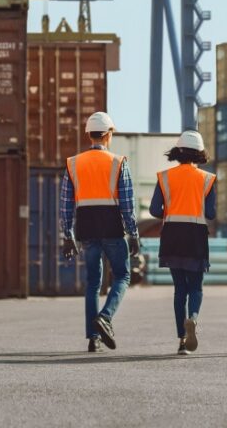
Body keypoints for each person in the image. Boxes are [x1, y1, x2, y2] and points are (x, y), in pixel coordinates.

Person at [60, 112, 140, 353]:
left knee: (93, 283)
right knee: (122, 276)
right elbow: (127, 202)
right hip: (112, 227)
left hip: (86, 228)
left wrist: (68, 235)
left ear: (88, 134)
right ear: (108, 134)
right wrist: (134, 232)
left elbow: (65, 203)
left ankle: (93, 339)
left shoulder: (73, 163)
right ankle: (105, 317)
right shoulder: (118, 161)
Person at [149, 131, 216, 355]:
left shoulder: (164, 177)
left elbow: (154, 210)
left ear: (178, 152)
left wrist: (172, 210)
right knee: (196, 286)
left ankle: (181, 341)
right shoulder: (207, 179)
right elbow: (212, 213)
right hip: (196, 234)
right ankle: (193, 319)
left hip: (172, 234)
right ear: (200, 154)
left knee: (180, 290)